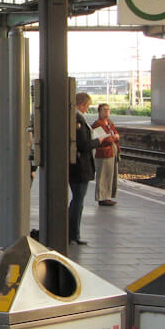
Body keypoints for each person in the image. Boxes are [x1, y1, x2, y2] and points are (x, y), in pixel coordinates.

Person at [69, 92, 99, 245]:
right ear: (82, 105)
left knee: (77, 200)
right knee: (78, 200)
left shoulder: (72, 117)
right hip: (80, 166)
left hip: (76, 165)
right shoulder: (77, 118)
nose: (87, 109)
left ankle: (71, 232)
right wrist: (99, 141)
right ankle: (73, 234)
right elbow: (83, 144)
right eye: (87, 106)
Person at [92, 103, 121, 205]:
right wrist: (114, 137)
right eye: (104, 109)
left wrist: (113, 137)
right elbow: (104, 140)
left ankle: (108, 196)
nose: (107, 111)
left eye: (108, 109)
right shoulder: (97, 124)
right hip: (103, 153)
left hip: (112, 152)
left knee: (110, 175)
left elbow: (116, 134)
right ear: (99, 112)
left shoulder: (109, 123)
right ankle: (102, 197)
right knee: (103, 175)